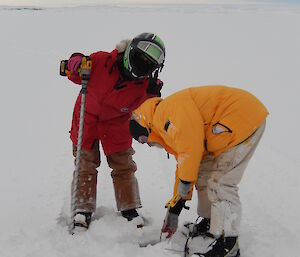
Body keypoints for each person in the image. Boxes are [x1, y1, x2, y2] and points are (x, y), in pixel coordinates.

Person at [129, 85, 268, 256]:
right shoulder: (167, 123)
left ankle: (228, 241)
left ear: (145, 125)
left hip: (241, 118)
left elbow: (190, 148)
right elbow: (185, 164)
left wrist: (185, 184)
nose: (149, 144)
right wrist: (176, 204)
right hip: (226, 126)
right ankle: (211, 221)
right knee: (202, 175)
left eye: (143, 139)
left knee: (221, 183)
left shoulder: (165, 114)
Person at [66, 33, 165, 231]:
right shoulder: (102, 61)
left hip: (117, 125)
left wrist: (154, 94)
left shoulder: (144, 84)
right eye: (140, 59)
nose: (142, 66)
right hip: (87, 120)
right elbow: (74, 73)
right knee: (85, 163)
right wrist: (74, 61)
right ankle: (82, 209)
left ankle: (129, 207)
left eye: (148, 65)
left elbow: (148, 109)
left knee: (124, 167)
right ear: (130, 52)